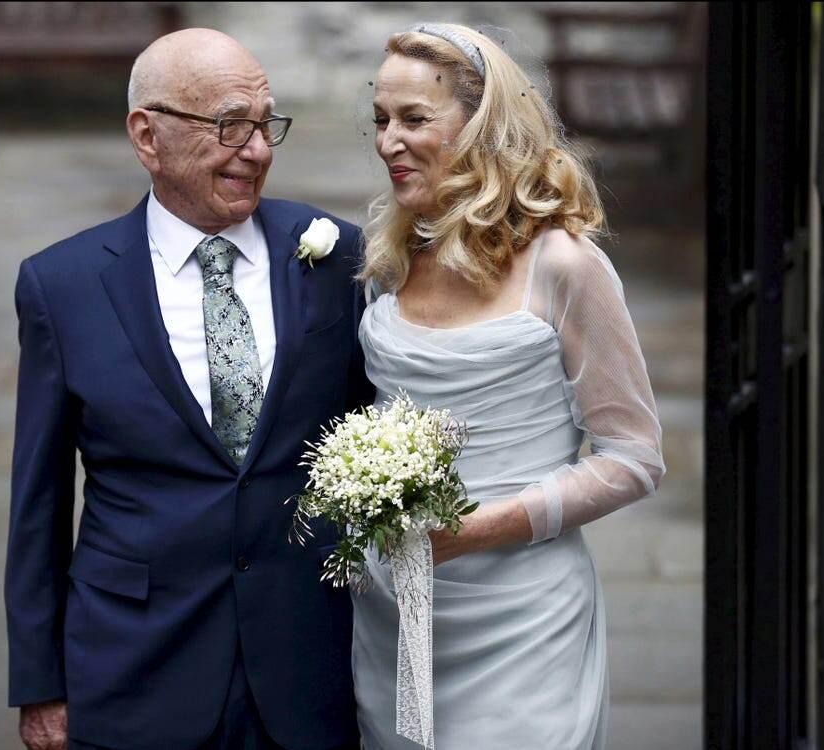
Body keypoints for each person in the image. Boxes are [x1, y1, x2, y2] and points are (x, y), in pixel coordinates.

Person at [4, 28, 371, 750]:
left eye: (266, 125)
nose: (257, 150)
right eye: (230, 125)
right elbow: (37, 503)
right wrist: (40, 682)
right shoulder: (63, 285)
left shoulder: (336, 256)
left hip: (305, 667)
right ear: (148, 136)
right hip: (136, 668)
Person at [352, 23, 666, 749]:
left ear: (482, 126)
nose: (389, 142)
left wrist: (477, 530)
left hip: (525, 627)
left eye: (414, 119)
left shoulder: (564, 265)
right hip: (396, 618)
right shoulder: (391, 260)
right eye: (381, 120)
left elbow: (634, 456)